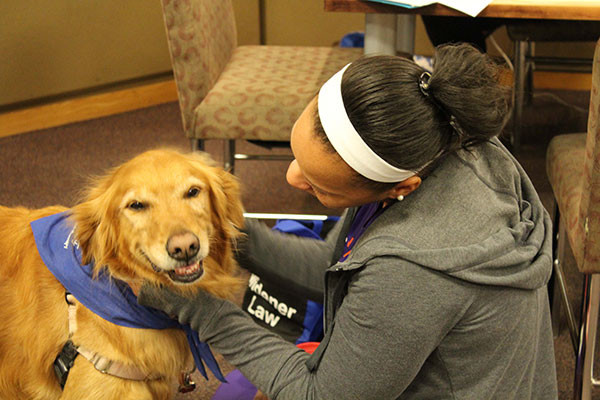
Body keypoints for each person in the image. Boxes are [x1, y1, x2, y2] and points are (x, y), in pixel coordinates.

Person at [137, 43, 558, 399]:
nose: (290, 177)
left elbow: (316, 393)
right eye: (295, 155)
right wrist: (219, 226)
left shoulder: (410, 273)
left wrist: (202, 312)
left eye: (318, 186)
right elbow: (331, 260)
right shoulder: (436, 145)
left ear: (401, 188)